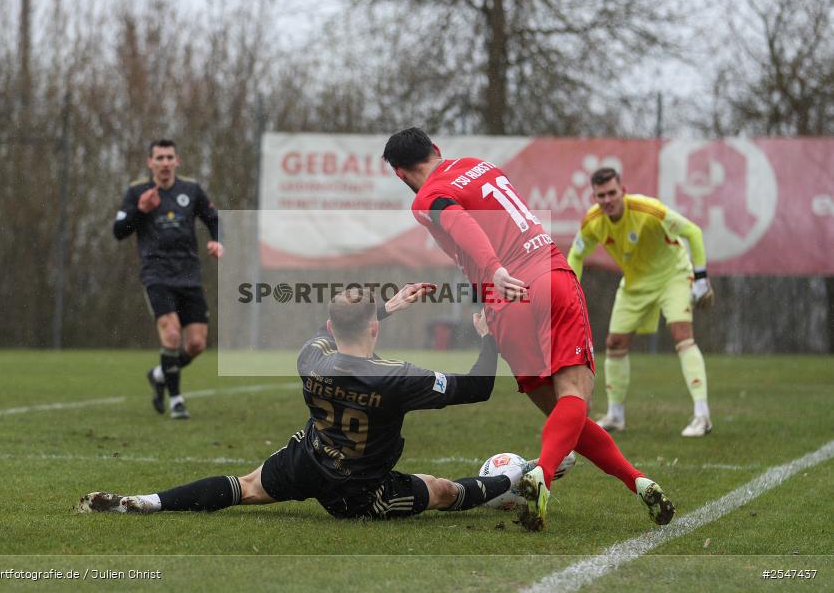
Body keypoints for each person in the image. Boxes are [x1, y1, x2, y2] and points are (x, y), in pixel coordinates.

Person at [383, 127, 674, 532]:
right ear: (436, 149)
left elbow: (461, 224)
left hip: (505, 301)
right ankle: (545, 474)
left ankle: (635, 480)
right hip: (546, 274)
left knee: (561, 411)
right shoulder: (478, 165)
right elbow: (473, 220)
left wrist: (495, 272)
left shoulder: (425, 198)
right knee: (573, 400)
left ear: (399, 174)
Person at [78, 284, 535, 519]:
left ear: (334, 328)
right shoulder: (396, 377)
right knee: (442, 490)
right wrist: (488, 338)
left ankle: (146, 501)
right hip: (360, 490)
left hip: (307, 460)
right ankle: (519, 475)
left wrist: (387, 308)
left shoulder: (310, 356)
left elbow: (330, 328)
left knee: (246, 487)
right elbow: (477, 387)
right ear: (373, 328)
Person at [567, 167, 714, 437]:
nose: (607, 199)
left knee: (682, 336)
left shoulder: (649, 210)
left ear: (622, 191)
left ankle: (702, 415)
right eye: (601, 195)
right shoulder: (593, 221)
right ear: (594, 196)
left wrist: (701, 278)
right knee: (614, 343)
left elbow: (693, 232)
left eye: (612, 193)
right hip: (635, 284)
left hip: (674, 276)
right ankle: (616, 415)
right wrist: (569, 288)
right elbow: (576, 255)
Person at [113, 139, 223, 419]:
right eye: (159, 158)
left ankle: (160, 373)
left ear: (177, 161)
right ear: (150, 162)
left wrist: (217, 242)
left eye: (169, 157)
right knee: (172, 334)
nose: (164, 163)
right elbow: (119, 231)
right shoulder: (137, 191)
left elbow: (214, 219)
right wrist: (141, 211)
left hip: (189, 274)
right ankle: (176, 400)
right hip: (156, 274)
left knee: (196, 344)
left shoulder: (191, 190)